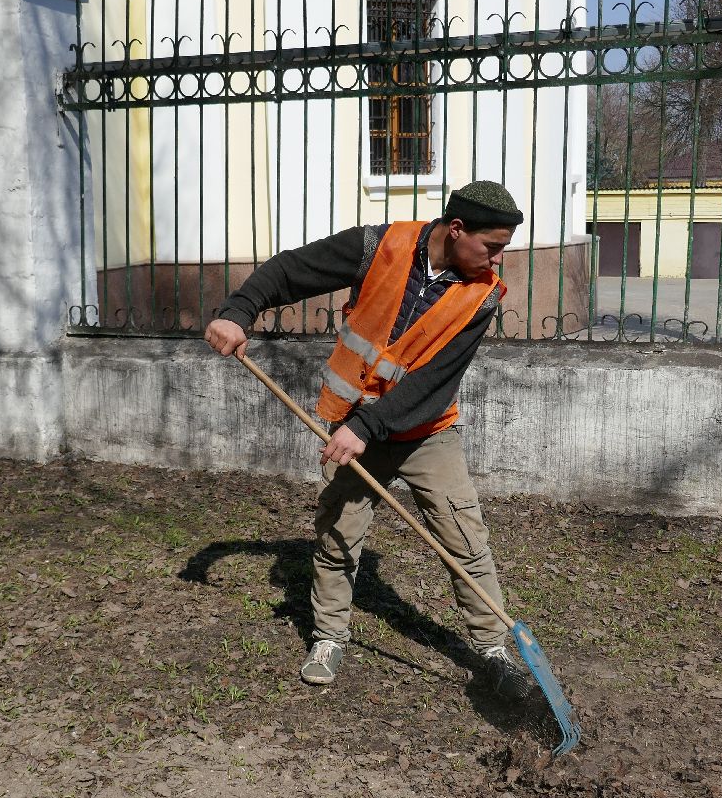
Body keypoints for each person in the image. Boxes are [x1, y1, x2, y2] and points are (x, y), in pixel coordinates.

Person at [204, 181, 533, 698]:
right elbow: (293, 269)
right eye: (491, 247)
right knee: (338, 532)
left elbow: (432, 381)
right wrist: (239, 310)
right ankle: (329, 635)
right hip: (351, 421)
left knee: (465, 540)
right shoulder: (381, 246)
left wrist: (367, 428)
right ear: (456, 228)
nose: (497, 261)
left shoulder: (484, 296)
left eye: (502, 250)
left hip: (426, 430)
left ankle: (492, 649)